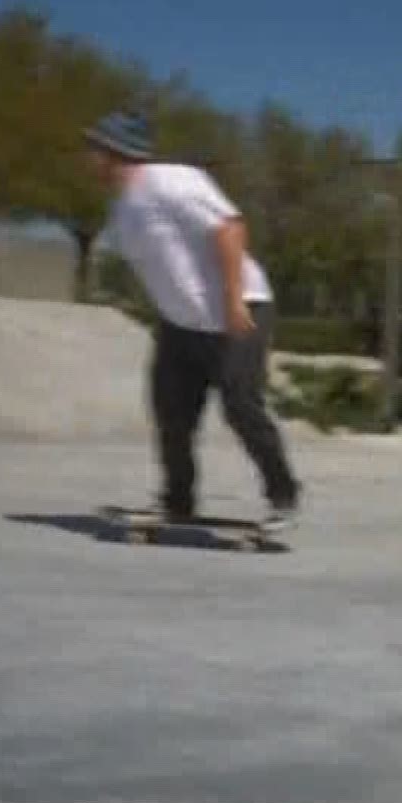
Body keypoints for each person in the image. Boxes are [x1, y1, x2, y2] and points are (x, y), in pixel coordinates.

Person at [83, 108, 301, 529]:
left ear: (114, 152)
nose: (87, 158)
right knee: (171, 412)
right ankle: (177, 501)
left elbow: (229, 228)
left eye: (94, 149)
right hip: (180, 325)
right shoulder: (123, 212)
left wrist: (234, 301)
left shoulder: (171, 180)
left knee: (240, 404)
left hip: (240, 309)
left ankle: (283, 495)